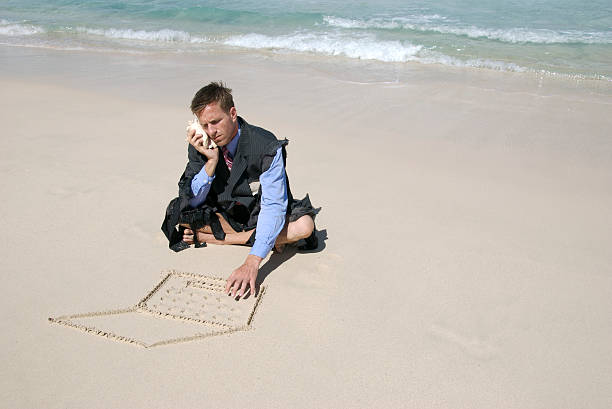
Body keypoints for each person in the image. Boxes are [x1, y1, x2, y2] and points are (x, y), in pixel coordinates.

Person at [161, 82, 319, 298]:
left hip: (258, 213)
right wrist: (210, 163)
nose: (211, 131)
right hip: (224, 213)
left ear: (232, 113)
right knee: (179, 214)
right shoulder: (201, 144)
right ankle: (269, 239)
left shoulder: (266, 145)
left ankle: (212, 238)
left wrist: (252, 262)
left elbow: (273, 206)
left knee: (304, 226)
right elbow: (193, 201)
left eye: (215, 122)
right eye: (204, 125)